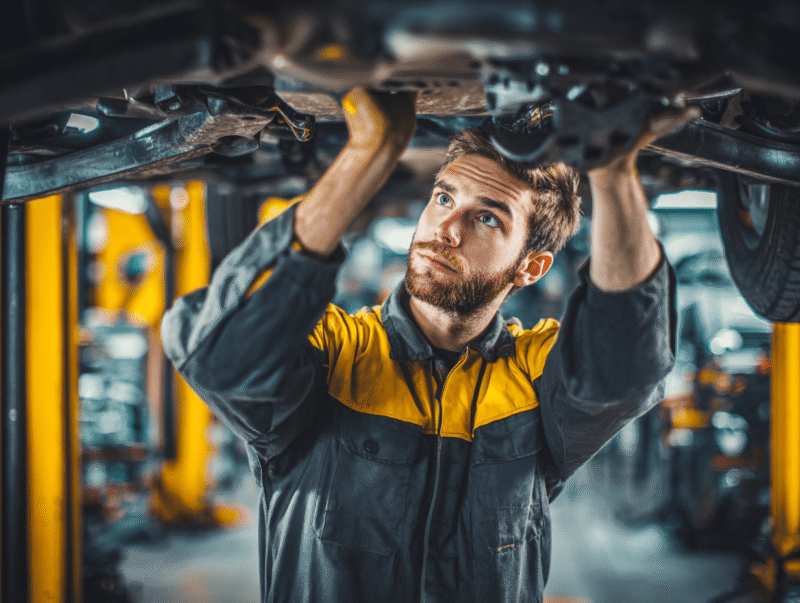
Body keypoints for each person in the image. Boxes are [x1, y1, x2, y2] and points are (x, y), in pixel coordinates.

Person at [161, 87, 683, 603]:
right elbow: (216, 356)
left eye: (487, 217)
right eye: (443, 197)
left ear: (531, 267)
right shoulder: (339, 349)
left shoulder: (533, 371)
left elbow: (624, 369)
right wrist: (368, 154)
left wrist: (613, 169)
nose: (446, 228)